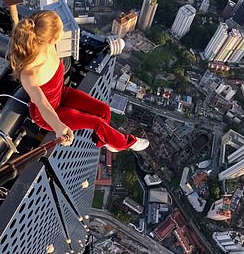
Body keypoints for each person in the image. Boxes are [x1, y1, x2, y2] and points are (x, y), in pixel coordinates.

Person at [8, 10, 149, 152]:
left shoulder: (49, 47)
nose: (63, 32)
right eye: (61, 31)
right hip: (49, 115)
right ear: (50, 39)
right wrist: (58, 126)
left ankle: (106, 140)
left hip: (62, 93)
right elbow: (44, 106)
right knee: (97, 123)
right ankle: (126, 143)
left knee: (103, 110)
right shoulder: (30, 74)